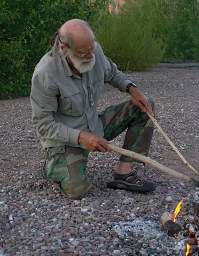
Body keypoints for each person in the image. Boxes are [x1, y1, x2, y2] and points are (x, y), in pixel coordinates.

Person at [30, 19, 156, 199]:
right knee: (77, 191)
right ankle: (54, 166)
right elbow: (43, 125)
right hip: (66, 141)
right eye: (83, 52)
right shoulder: (45, 74)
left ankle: (124, 173)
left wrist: (132, 89)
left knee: (145, 105)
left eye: (92, 48)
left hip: (94, 126)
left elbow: (112, 73)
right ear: (64, 48)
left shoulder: (93, 49)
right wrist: (81, 137)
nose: (91, 55)